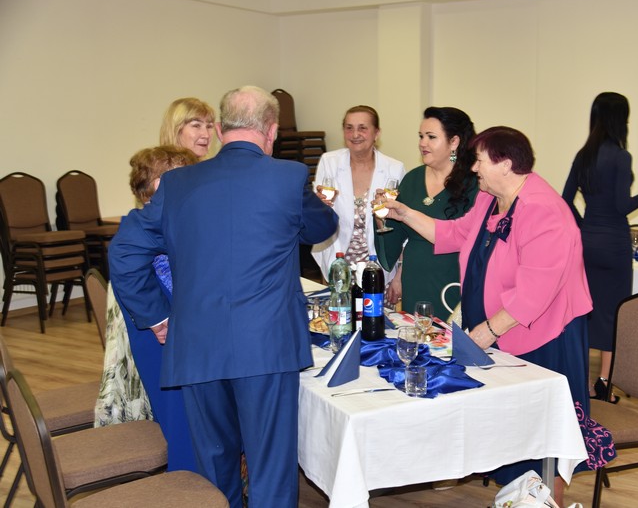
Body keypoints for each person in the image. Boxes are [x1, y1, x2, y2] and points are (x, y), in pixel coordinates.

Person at [109, 85, 338, 507]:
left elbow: (124, 251)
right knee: (270, 468)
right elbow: (323, 227)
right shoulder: (288, 177)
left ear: (218, 129)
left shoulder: (177, 183)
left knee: (214, 469)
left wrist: (157, 316)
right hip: (266, 347)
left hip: (196, 346)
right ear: (271, 131)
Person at [382, 126, 615, 506]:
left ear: (505, 164)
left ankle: (545, 501)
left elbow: (535, 294)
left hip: (544, 338)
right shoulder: (490, 199)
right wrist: (405, 214)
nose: (473, 168)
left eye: (479, 161)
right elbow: (454, 234)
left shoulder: (544, 210)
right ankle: (517, 497)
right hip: (500, 331)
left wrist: (486, 332)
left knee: (543, 434)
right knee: (511, 425)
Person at [562, 92, 638, 402]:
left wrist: (584, 226)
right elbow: (623, 206)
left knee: (585, 310)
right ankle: (604, 383)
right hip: (614, 245)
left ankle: (582, 383)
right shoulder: (621, 157)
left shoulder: (583, 155)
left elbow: (564, 199)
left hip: (587, 243)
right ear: (620, 120)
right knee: (613, 312)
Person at [95, 145, 199, 472]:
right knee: (182, 418)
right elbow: (129, 266)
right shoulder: (141, 227)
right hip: (163, 338)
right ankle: (191, 484)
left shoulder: (178, 221)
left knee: (197, 418)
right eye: (179, 178)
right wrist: (161, 319)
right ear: (152, 187)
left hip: (176, 336)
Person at [375, 106, 478, 319]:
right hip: (415, 279)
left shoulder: (475, 183)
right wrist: (381, 217)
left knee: (448, 336)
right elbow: (396, 235)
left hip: (453, 279)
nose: (422, 143)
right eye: (421, 136)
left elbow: (475, 239)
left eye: (431, 137)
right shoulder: (412, 178)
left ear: (454, 142)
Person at [311, 105, 405, 283]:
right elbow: (320, 215)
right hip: (337, 260)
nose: (355, 135)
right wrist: (316, 204)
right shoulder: (329, 162)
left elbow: (402, 228)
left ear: (376, 133)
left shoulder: (394, 169)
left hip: (378, 266)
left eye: (362, 128)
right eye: (349, 128)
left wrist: (399, 275)